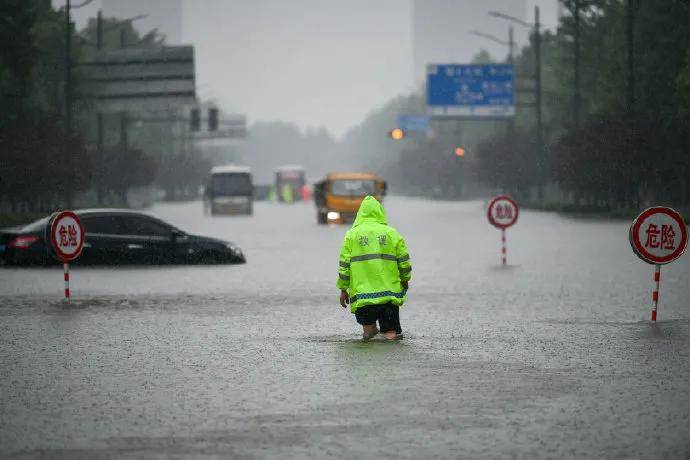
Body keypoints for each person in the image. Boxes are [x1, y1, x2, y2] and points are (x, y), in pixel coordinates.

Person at [336, 196, 412, 340]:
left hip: (363, 297)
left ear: (360, 213)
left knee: (369, 334)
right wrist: (405, 279)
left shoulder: (351, 235)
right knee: (391, 334)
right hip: (388, 296)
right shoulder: (392, 233)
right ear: (380, 212)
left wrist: (343, 289)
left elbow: (344, 265)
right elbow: (404, 261)